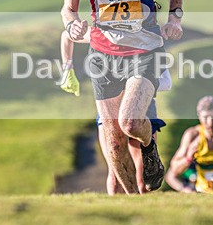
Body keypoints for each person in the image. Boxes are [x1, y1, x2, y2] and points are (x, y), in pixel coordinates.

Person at [61, 0, 183, 194]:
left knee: (130, 122)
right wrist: (73, 24)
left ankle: (149, 147)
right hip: (103, 55)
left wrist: (175, 16)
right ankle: (134, 205)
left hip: (145, 51)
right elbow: (68, 10)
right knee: (113, 141)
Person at [58, 30, 172, 194]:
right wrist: (67, 70)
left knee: (143, 178)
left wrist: (134, 87)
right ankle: (120, 210)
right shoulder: (104, 34)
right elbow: (66, 35)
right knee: (114, 172)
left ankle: (143, 212)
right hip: (109, 109)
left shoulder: (149, 39)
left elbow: (166, 82)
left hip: (142, 110)